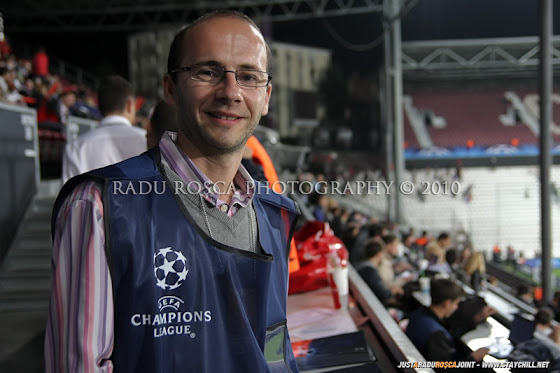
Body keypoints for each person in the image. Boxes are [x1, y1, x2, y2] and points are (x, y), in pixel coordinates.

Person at [46, 10, 300, 373]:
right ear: (170, 89)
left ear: (266, 96)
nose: (231, 92)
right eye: (208, 72)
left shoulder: (276, 214)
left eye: (248, 76)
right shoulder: (99, 205)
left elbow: (273, 346)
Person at [61, 75, 146, 183]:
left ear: (99, 107)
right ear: (130, 105)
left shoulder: (76, 147)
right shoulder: (146, 138)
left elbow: (69, 197)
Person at [406, 279, 489, 371]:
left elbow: (450, 332)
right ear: (446, 303)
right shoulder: (436, 335)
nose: (456, 307)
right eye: (456, 303)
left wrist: (475, 320)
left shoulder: (418, 314)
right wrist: (473, 359)